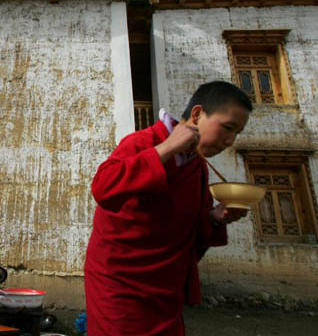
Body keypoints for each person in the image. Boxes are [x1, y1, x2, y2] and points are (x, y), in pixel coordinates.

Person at [84, 80, 253, 335]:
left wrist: (216, 217)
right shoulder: (142, 142)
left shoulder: (198, 168)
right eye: (227, 127)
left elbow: (191, 233)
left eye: (236, 133)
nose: (230, 140)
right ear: (197, 114)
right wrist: (166, 148)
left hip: (165, 290)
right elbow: (103, 187)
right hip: (119, 287)